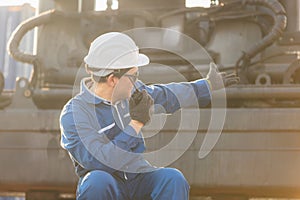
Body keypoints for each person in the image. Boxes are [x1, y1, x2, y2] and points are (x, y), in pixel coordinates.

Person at [59, 32, 239, 200]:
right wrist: (136, 123)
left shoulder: (132, 93)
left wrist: (207, 86)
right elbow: (99, 162)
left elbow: (168, 95)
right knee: (97, 181)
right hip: (107, 182)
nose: (137, 80)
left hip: (138, 176)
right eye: (134, 75)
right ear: (113, 79)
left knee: (172, 178)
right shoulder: (75, 114)